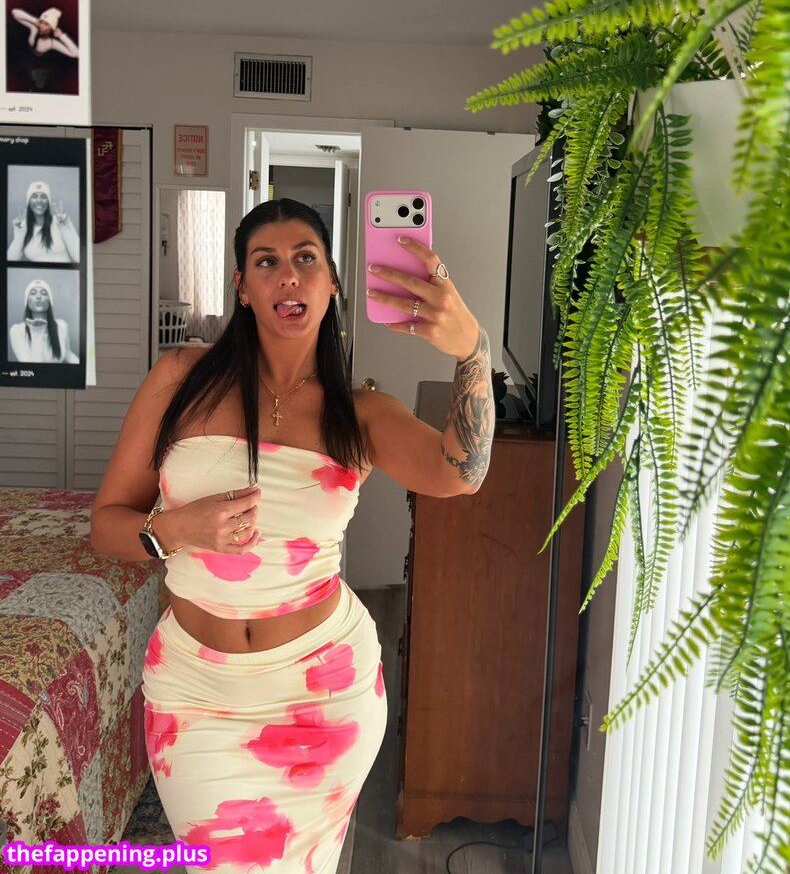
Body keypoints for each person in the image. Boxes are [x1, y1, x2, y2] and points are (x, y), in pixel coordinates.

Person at [91, 198, 494, 874]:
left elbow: (463, 473)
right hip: (195, 692)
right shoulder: (178, 381)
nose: (288, 275)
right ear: (242, 288)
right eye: (266, 262)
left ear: (332, 282)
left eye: (306, 258)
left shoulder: (360, 413)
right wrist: (174, 529)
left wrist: (472, 350)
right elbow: (107, 524)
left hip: (324, 691)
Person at [9, 6, 79, 93]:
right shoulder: (34, 28)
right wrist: (35, 20)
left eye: (46, 24)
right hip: (26, 57)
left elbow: (76, 53)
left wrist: (62, 36)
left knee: (38, 85)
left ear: (52, 28)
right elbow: (14, 12)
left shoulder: (52, 43)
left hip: (40, 66)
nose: (41, 26)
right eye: (41, 22)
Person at [8, 180, 80, 263]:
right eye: (34, 196)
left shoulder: (61, 222)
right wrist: (19, 235)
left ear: (48, 202)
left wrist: (66, 228)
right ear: (29, 202)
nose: (39, 200)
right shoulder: (23, 227)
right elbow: (10, 260)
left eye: (43, 196)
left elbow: (79, 256)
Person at [9, 278, 79, 364]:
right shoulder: (17, 331)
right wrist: (37, 331)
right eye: (33, 293)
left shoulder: (62, 326)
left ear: (49, 300)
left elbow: (68, 354)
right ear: (27, 301)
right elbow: (32, 367)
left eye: (44, 293)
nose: (38, 297)